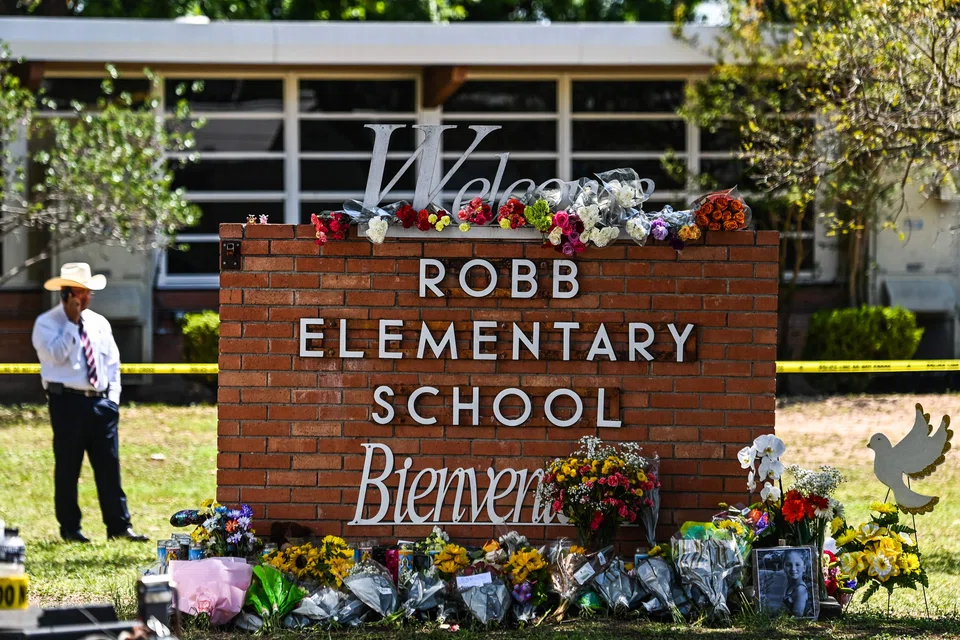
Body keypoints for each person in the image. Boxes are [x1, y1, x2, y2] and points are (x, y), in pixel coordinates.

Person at [31, 263, 148, 543]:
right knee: (69, 468)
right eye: (83, 292)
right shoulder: (47, 324)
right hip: (67, 403)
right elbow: (57, 357)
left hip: (101, 404)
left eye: (89, 292)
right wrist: (71, 324)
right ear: (68, 294)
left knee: (109, 467)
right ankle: (71, 529)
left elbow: (113, 364)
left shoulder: (99, 323)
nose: (88, 297)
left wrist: (113, 401)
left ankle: (119, 526)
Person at [782, 549, 811, 617]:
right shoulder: (790, 585)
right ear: (783, 567)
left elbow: (797, 617)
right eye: (788, 565)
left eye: (797, 564)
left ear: (804, 568)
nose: (793, 569)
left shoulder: (800, 590)